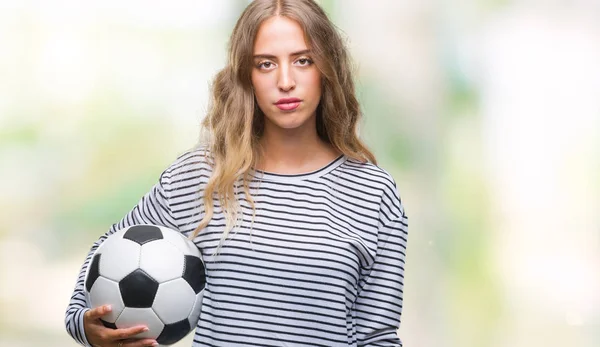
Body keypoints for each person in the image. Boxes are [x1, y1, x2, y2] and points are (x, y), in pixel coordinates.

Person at [64, 0, 408, 346]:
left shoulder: (373, 192)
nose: (285, 81)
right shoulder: (199, 177)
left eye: (303, 60)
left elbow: (378, 337)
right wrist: (88, 328)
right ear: (247, 76)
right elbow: (104, 259)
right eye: (265, 64)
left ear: (327, 68)